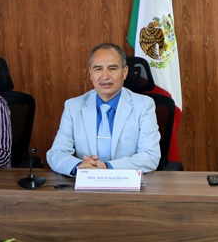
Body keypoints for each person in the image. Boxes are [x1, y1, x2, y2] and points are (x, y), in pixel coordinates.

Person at [47, 42, 160, 175]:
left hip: (127, 183)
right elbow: (56, 153)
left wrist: (107, 167)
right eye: (98, 69)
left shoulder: (144, 105)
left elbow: (150, 156)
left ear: (124, 72)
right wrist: (79, 166)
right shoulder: (73, 106)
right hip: (87, 183)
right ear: (90, 73)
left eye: (112, 68)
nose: (105, 76)